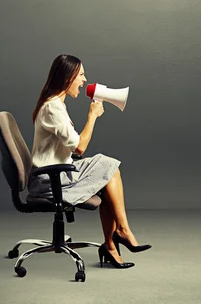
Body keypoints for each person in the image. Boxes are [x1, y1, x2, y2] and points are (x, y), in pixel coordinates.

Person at [28, 54, 151, 269]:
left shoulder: (57, 104)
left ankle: (113, 242)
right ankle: (118, 235)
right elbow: (80, 147)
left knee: (110, 167)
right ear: (68, 77)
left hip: (60, 171)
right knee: (109, 169)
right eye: (81, 75)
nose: (84, 80)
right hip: (50, 179)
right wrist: (92, 116)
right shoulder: (52, 108)